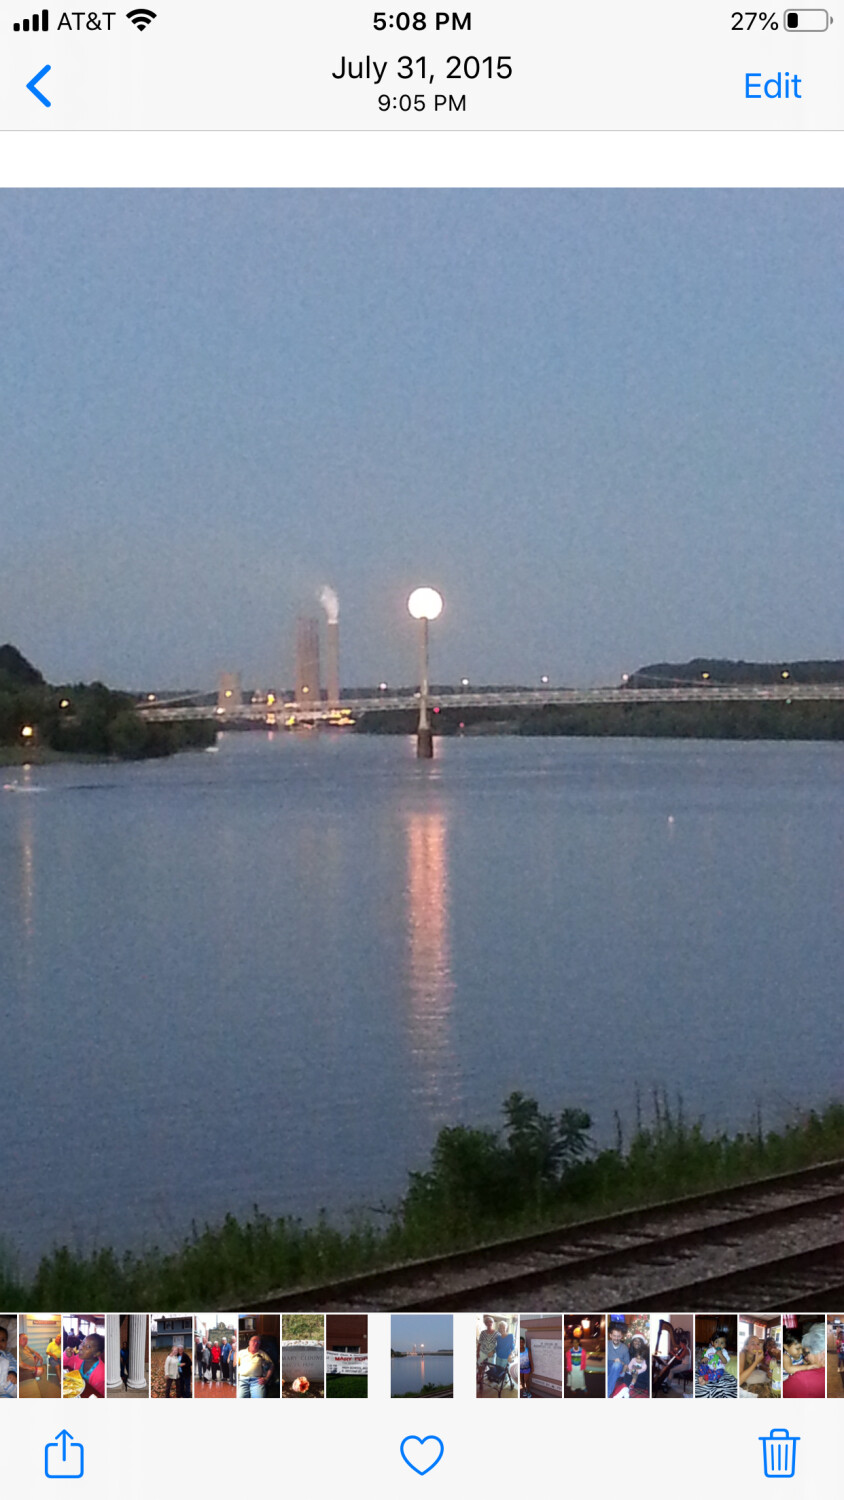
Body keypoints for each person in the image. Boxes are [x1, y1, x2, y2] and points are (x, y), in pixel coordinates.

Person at [783, 1323, 826, 1398]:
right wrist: (808, 1367)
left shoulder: (799, 1355)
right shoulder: (785, 1357)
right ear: (786, 1347)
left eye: (802, 1349)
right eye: (797, 1349)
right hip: (783, 1380)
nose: (801, 1352)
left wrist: (807, 1363)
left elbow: (802, 1362)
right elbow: (789, 1369)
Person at [78, 1333, 105, 1398]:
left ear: (96, 1353)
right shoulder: (79, 1358)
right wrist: (67, 1355)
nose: (81, 1347)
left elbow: (98, 1395)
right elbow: (67, 1362)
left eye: (88, 1347)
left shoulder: (101, 1374)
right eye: (82, 1343)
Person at [607, 1325, 630, 1396]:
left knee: (617, 1364)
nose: (616, 1338)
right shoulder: (607, 1344)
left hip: (618, 1367)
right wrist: (613, 1360)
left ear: (621, 1336)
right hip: (608, 1365)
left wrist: (620, 1362)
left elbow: (627, 1364)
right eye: (614, 1336)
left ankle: (607, 1392)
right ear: (610, 1335)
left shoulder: (624, 1348)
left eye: (618, 1336)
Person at [0, 1324, 17, 1397]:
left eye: (3, 1340)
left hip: (4, 1384)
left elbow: (13, 1364)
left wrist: (12, 1373)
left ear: (6, 1342)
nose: (0, 1342)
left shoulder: (8, 1354)